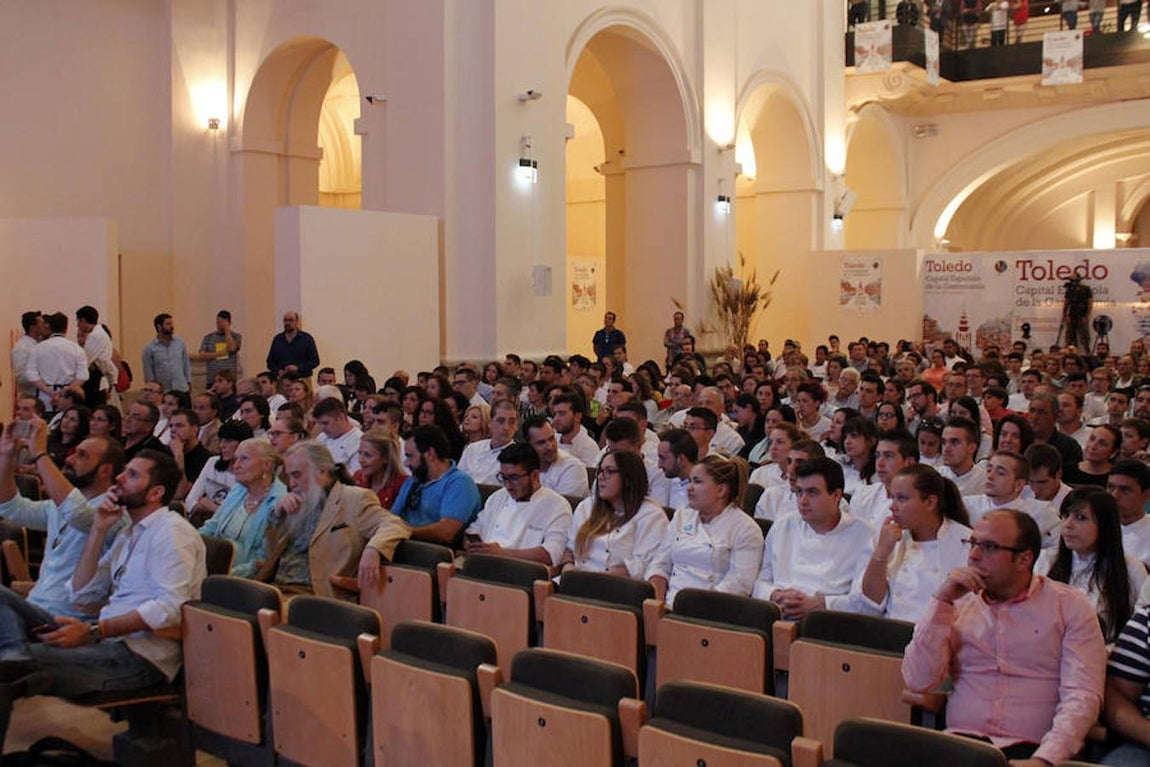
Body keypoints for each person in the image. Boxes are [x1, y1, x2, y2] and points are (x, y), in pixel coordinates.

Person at [0, 449, 207, 748]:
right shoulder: (129, 533)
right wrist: (97, 529)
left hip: (137, 660)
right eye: (124, 471)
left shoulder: (172, 533)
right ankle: (14, 654)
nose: (120, 478)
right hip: (105, 641)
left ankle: (14, 656)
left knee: (5, 671)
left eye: (133, 475)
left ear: (156, 492)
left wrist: (95, 631)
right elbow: (83, 595)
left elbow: (170, 609)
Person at [902, 509, 1107, 765]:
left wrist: (1045, 759)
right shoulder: (958, 601)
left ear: (1024, 559)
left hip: (1032, 750)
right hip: (959, 746)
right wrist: (941, 602)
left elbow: (1082, 695)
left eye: (988, 547)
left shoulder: (1069, 607)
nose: (974, 556)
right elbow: (919, 681)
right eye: (972, 544)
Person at [0, 420, 127, 659]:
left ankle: (16, 663)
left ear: (105, 470)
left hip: (70, 622)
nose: (70, 459)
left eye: (82, 455)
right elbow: (9, 508)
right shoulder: (57, 508)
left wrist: (39, 453)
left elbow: (78, 514)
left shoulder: (114, 515)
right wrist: (6, 455)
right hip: (35, 609)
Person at [260, 441, 410, 599]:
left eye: (297, 475)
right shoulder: (295, 502)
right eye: (289, 476)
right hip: (275, 587)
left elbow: (394, 524)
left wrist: (374, 549)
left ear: (322, 471)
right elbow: (270, 552)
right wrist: (277, 515)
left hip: (314, 595)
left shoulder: (354, 499)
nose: (291, 484)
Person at [753, 456, 874, 620]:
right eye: (799, 492)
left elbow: (866, 603)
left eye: (812, 492)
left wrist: (822, 604)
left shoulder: (864, 534)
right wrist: (775, 595)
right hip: (778, 615)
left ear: (836, 495)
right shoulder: (783, 525)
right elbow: (760, 581)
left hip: (832, 623)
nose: (803, 501)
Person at [851, 464, 972, 623]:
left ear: (930, 502)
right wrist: (882, 552)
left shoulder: (967, 542)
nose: (892, 507)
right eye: (892, 497)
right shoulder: (886, 538)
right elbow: (870, 604)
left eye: (902, 498)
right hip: (890, 634)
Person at [647, 455, 763, 609]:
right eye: (690, 481)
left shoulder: (746, 529)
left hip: (714, 613)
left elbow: (739, 584)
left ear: (721, 490)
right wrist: (657, 606)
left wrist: (698, 608)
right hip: (669, 606)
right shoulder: (682, 516)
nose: (689, 488)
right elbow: (660, 564)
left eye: (697, 481)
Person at [1037, 487, 1145, 646]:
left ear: (1104, 525)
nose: (1068, 525)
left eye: (1081, 517)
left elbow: (1138, 630)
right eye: (1065, 516)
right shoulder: (1046, 560)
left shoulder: (1131, 569)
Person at [560, 449, 668, 579]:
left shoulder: (651, 515)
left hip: (620, 586)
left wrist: (596, 579)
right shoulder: (587, 506)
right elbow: (570, 549)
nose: (601, 477)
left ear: (628, 479)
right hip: (578, 578)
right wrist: (568, 567)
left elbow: (644, 565)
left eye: (609, 471)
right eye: (600, 471)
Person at [463, 444, 571, 567]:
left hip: (523, 574)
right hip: (484, 566)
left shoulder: (557, 506)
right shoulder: (497, 497)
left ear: (535, 475)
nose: (508, 486)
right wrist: (472, 544)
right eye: (503, 478)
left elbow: (550, 554)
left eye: (514, 478)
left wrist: (501, 553)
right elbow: (474, 530)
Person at [198, 438, 286, 577]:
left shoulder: (279, 502)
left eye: (244, 459)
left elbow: (263, 560)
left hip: (244, 580)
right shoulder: (238, 490)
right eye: (236, 459)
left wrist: (224, 576)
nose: (236, 466)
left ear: (267, 465)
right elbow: (212, 527)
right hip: (211, 568)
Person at [392, 425, 482, 546]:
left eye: (410, 456)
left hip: (434, 555)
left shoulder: (460, 483)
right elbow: (392, 517)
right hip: (402, 546)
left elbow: (446, 532)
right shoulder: (413, 481)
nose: (406, 463)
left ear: (430, 453)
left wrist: (401, 531)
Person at [184, 420, 253, 527]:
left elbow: (237, 518)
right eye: (221, 440)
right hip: (202, 521)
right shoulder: (212, 462)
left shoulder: (250, 475)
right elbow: (191, 499)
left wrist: (210, 506)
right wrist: (197, 507)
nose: (221, 445)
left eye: (229, 441)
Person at [28, 312, 89, 415]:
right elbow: (83, 376)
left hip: (44, 397)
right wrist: (65, 391)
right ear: (66, 328)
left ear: (49, 327)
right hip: (68, 399)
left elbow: (31, 375)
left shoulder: (37, 348)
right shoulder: (76, 349)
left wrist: (49, 391)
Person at [458, 399, 518, 485]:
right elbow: (458, 480)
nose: (506, 427)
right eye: (500, 421)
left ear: (516, 426)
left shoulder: (518, 457)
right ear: (490, 423)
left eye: (512, 422)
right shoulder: (472, 448)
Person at [1108, 460, 1150, 569]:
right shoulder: (1094, 525)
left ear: (1146, 495)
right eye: (1111, 488)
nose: (1114, 496)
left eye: (1125, 490)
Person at [354, 428, 408, 511]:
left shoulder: (402, 484)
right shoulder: (358, 477)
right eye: (360, 453)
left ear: (386, 458)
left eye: (367, 455)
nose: (360, 460)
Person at [140, 313, 190, 394]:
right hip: (163, 391)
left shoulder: (180, 343)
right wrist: (153, 389)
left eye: (172, 323)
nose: (172, 326)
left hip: (181, 388)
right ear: (159, 327)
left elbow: (186, 365)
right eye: (168, 324)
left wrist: (188, 383)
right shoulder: (149, 348)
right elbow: (148, 372)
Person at [312, 397, 363, 473]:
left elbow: (354, 476)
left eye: (325, 423)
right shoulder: (322, 437)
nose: (322, 428)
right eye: (320, 424)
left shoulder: (359, 441)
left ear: (341, 418)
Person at [939, 417, 988, 496]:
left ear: (972, 447)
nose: (946, 449)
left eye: (954, 442)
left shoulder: (985, 482)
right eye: (944, 442)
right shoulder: (935, 478)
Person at [193, 310, 241, 388]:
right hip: (212, 380)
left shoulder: (236, 336)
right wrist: (220, 353)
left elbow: (232, 348)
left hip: (228, 381)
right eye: (218, 322)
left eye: (222, 322)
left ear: (229, 322)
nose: (219, 325)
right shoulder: (208, 337)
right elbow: (201, 356)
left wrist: (227, 331)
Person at [266, 311, 320, 379]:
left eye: (291, 320)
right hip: (283, 380)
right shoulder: (277, 339)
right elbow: (270, 362)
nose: (287, 323)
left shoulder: (306, 339)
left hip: (302, 379)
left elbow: (315, 361)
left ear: (297, 322)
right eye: (285, 320)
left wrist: (298, 367)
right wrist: (278, 371)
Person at [656, 427, 698, 511]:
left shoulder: (703, 492)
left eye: (663, 458)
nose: (659, 465)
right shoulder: (672, 482)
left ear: (681, 460)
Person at [11, 311, 47, 399]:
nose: (45, 326)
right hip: (29, 397)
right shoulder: (21, 347)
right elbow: (21, 377)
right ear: (32, 327)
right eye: (42, 323)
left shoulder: (40, 344)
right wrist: (43, 375)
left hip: (41, 396)